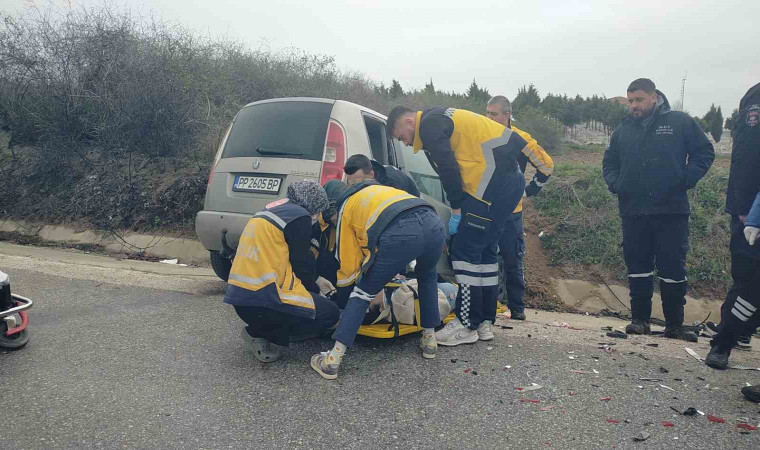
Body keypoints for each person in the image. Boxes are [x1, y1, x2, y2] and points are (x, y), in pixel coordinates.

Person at [388, 105, 527, 346]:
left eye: (401, 136)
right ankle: (484, 322)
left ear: (410, 122)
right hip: (505, 187)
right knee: (485, 256)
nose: (405, 143)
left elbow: (448, 168)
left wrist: (456, 208)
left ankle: (467, 323)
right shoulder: (441, 115)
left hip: (485, 192)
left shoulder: (429, 125)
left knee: (464, 253)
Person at [602, 78, 714, 342]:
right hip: (633, 211)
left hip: (671, 211)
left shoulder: (679, 122)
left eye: (638, 100)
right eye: (630, 101)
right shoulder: (623, 130)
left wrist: (685, 180)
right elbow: (609, 162)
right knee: (637, 267)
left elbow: (704, 152)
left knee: (672, 269)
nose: (633, 106)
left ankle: (674, 325)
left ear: (654, 97)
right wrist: (616, 184)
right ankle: (640, 321)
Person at [310, 181, 446, 379]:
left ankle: (332, 361)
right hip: (434, 223)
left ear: (334, 206)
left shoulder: (346, 207)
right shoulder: (375, 191)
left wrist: (344, 295)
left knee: (362, 293)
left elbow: (347, 265)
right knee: (427, 279)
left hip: (402, 230)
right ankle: (429, 341)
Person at [224, 181, 340, 363]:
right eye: (317, 211)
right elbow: (300, 262)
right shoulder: (300, 217)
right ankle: (260, 334)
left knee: (313, 305)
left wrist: (316, 279)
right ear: (312, 205)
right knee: (329, 312)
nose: (318, 216)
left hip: (243, 298)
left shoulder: (276, 209)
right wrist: (316, 291)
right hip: (264, 300)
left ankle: (266, 329)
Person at [705, 84, 760, 401]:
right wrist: (745, 208)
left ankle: (737, 335)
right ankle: (725, 343)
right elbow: (744, 155)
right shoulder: (753, 97)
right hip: (748, 211)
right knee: (747, 284)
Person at [485, 95, 554, 320]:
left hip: (510, 213)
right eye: (487, 113)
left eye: (493, 113)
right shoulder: (480, 134)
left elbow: (547, 166)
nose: (489, 117)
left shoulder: (520, 138)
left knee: (512, 259)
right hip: (482, 209)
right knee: (484, 260)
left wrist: (527, 190)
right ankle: (488, 309)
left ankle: (517, 309)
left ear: (507, 115)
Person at [343, 153, 420, 196]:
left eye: (359, 184)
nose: (355, 188)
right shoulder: (362, 175)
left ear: (371, 174)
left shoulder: (392, 185)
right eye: (351, 184)